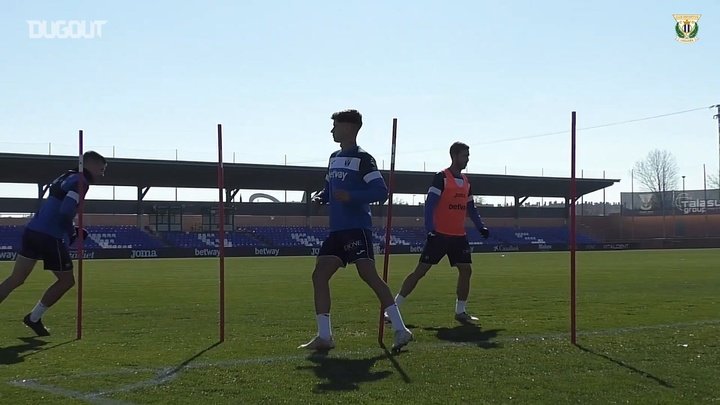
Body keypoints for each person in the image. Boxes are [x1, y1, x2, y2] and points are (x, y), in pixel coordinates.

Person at [299, 109, 413, 351]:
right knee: (319, 276)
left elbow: (381, 192)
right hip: (336, 230)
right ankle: (324, 337)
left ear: (350, 128)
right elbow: (328, 189)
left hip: (356, 228)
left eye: (336, 126)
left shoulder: (364, 159)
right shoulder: (333, 157)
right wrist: (321, 198)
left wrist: (350, 196)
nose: (332, 130)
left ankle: (401, 330)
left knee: (369, 276)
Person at [0, 151, 107, 336]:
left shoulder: (66, 176)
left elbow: (60, 206)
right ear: (91, 164)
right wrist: (72, 232)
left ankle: (33, 318)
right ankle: (34, 318)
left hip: (33, 230)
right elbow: (66, 210)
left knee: (16, 279)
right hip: (48, 236)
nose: (102, 174)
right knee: (66, 281)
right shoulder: (81, 181)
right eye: (101, 169)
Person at [392, 142, 489, 325]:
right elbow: (430, 205)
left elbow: (471, 208)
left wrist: (480, 226)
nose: (467, 159)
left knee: (466, 270)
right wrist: (430, 229)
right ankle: (393, 309)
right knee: (420, 271)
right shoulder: (441, 177)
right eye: (464, 155)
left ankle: (460, 312)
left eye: (468, 156)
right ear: (454, 156)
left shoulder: (466, 182)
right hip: (440, 235)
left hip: (458, 236)